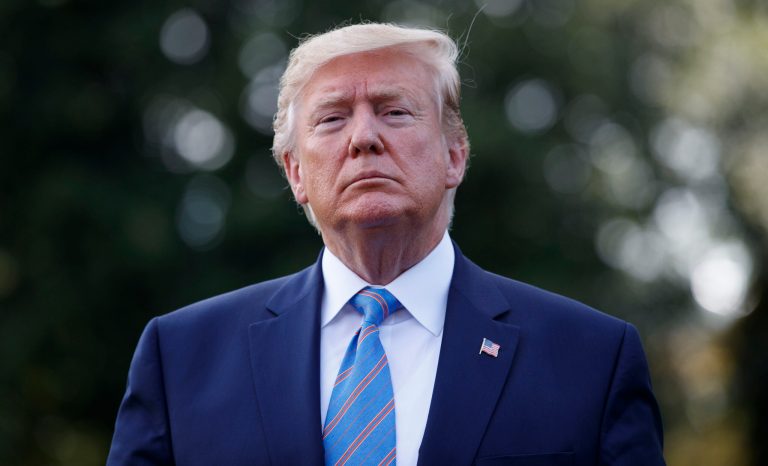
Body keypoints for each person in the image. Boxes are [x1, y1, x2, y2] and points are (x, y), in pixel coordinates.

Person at [107, 23, 665, 465]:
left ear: (454, 155)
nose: (364, 137)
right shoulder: (180, 359)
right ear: (296, 173)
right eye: (332, 119)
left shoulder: (590, 359)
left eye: (395, 112)